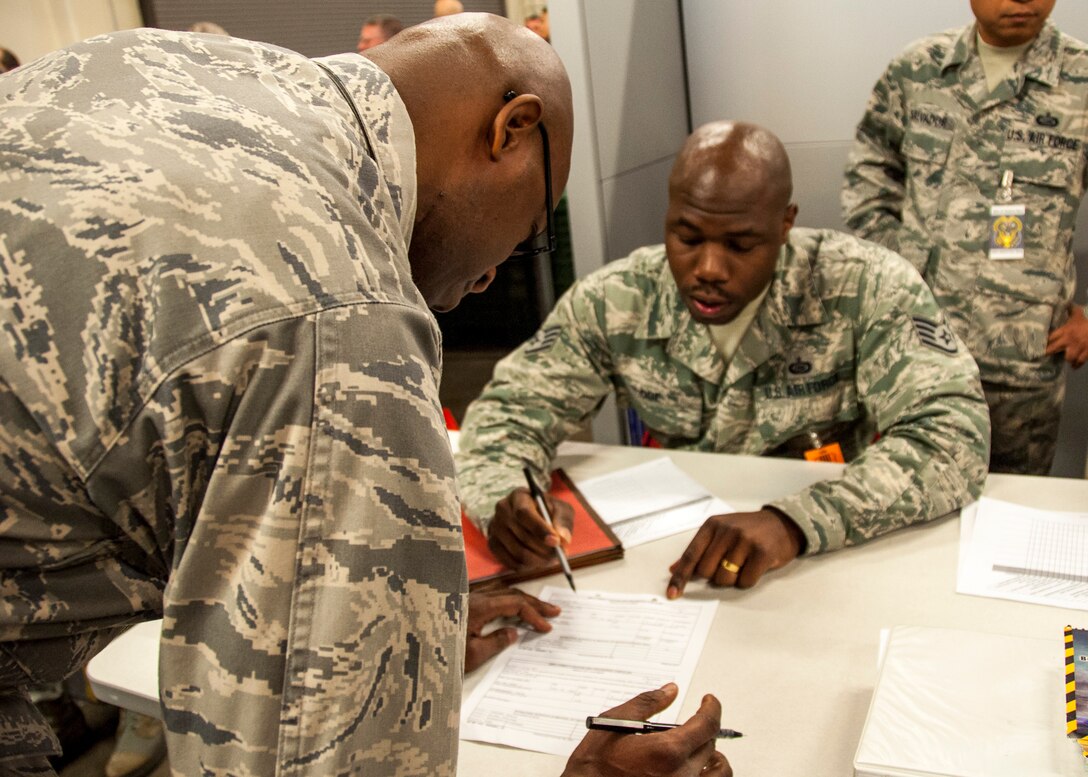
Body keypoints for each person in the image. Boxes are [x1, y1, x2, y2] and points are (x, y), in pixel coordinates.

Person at [0, 14, 728, 777]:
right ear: (513, 129)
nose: (489, 277)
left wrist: (390, 620)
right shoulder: (342, 313)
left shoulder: (146, 62)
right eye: (530, 233)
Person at [456, 120, 990, 598]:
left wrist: (794, 523)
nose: (708, 267)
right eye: (687, 236)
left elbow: (953, 437)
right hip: (666, 566)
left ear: (785, 224)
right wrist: (509, 499)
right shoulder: (616, 299)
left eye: (740, 245)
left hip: (822, 568)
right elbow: (508, 416)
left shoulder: (865, 286)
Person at [842, 0, 1088, 475]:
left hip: (1021, 365)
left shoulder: (1081, 81)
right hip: (915, 349)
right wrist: (898, 275)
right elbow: (870, 175)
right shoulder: (918, 71)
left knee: (1011, 509)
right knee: (907, 499)